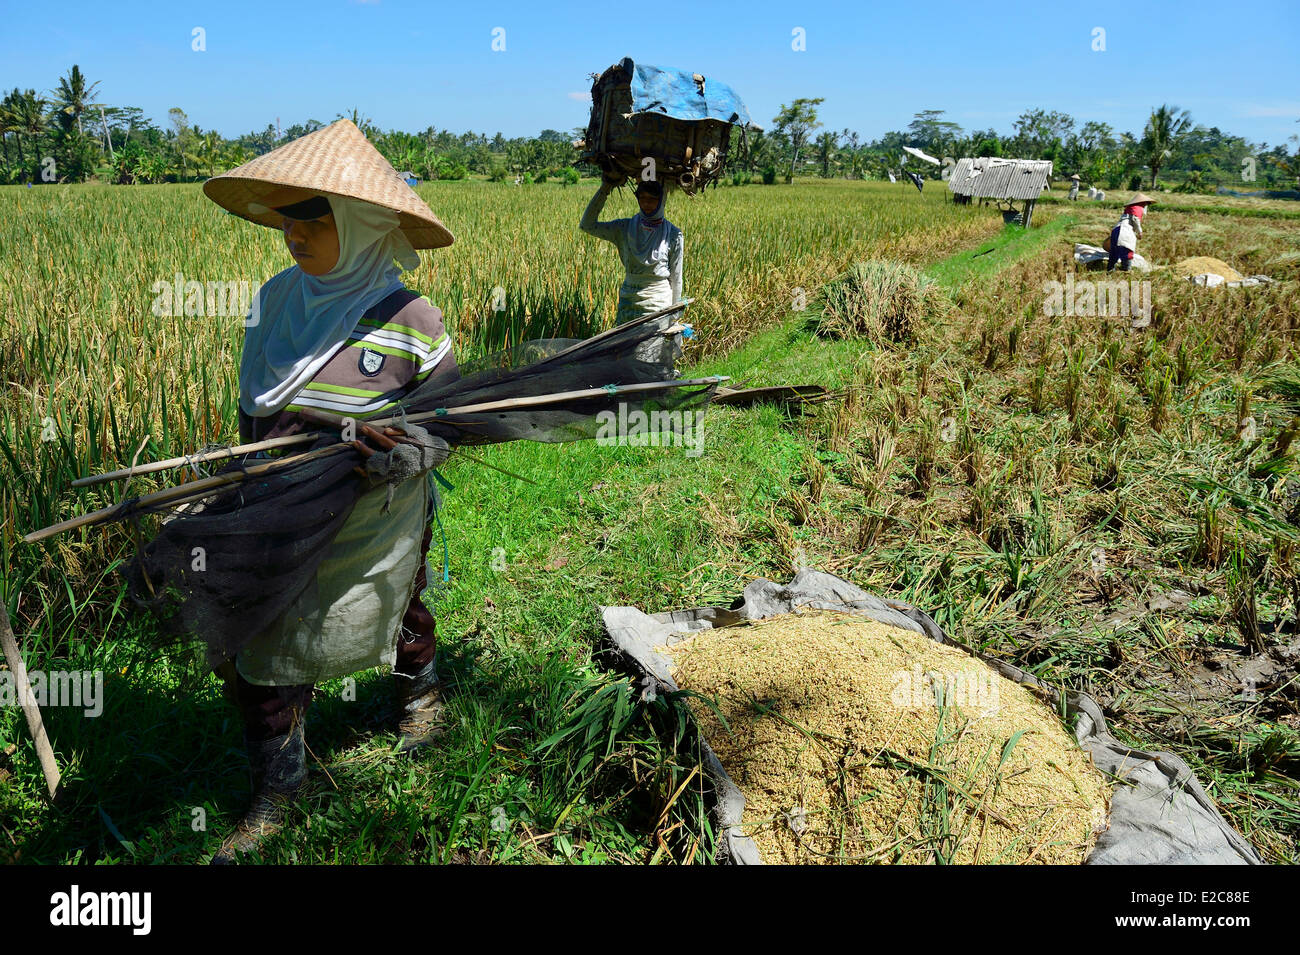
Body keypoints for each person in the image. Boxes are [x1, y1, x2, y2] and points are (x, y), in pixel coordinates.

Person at [200, 119, 459, 863]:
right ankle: (278, 790)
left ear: (364, 221)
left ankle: (420, 697)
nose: (292, 233)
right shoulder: (276, 301)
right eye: (288, 216)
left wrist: (404, 454)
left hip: (375, 514)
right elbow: (255, 406)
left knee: (400, 606)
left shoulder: (411, 319)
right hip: (279, 503)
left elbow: (449, 418)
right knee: (264, 639)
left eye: (313, 217)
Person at [580, 172, 685, 368]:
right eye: (642, 198)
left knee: (652, 357)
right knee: (626, 357)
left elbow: (677, 277)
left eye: (652, 199)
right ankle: (629, 396)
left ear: (661, 200)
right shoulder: (624, 227)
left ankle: (651, 394)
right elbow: (587, 225)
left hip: (658, 302)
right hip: (629, 300)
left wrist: (675, 314)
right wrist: (605, 189)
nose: (646, 204)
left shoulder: (673, 234)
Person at [1107, 192, 1155, 272]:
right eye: (1147, 204)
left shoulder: (1130, 208)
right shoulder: (1137, 207)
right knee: (1127, 251)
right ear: (1143, 202)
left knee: (1114, 252)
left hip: (1116, 229)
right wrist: (1140, 232)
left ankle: (1110, 270)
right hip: (1125, 230)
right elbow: (1135, 219)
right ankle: (1126, 271)